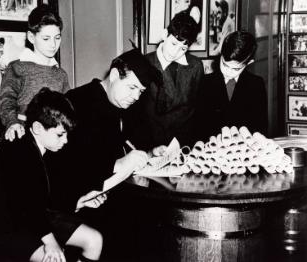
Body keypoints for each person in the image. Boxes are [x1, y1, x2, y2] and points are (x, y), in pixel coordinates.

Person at [0, 88, 107, 262]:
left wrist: (78, 203)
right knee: (56, 259)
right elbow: (26, 206)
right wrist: (51, 242)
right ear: (38, 128)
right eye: (60, 134)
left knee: (94, 240)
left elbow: (43, 200)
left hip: (34, 219)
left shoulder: (43, 146)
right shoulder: (17, 150)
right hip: (8, 229)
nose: (66, 141)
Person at [48, 49, 164, 213]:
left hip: (115, 192)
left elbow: (131, 144)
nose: (136, 96)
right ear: (115, 75)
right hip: (76, 202)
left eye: (141, 91)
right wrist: (116, 164)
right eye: (132, 87)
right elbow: (65, 162)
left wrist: (151, 153)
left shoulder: (127, 106)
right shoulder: (77, 102)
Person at [123, 10, 204, 151]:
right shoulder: (144, 63)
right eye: (173, 44)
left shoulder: (195, 66)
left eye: (183, 48)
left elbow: (195, 111)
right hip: (148, 146)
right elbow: (133, 116)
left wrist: (179, 143)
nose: (175, 52)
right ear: (164, 35)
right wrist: (149, 150)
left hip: (183, 145)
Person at [0, 4, 70, 142]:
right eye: (46, 38)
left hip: (52, 143)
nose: (53, 44)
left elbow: (67, 111)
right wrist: (13, 122)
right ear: (31, 37)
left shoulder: (61, 74)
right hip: (22, 137)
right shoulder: (18, 67)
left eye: (57, 37)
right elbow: (5, 100)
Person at [196, 31, 268, 141]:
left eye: (236, 69)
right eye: (224, 64)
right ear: (221, 55)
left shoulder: (256, 85)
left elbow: (260, 127)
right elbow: (198, 126)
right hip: (212, 151)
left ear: (249, 63)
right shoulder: (205, 83)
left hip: (245, 152)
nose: (228, 72)